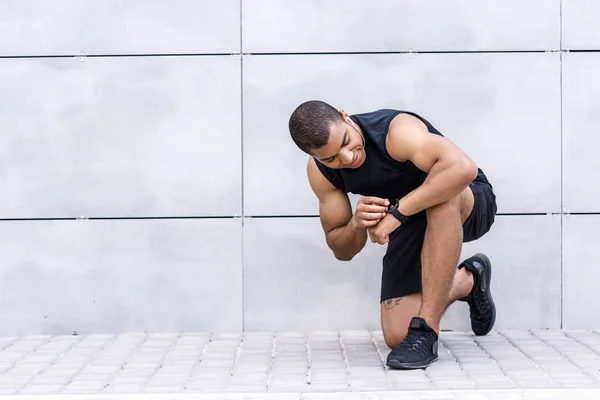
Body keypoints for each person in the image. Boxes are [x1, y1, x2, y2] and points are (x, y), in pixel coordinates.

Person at [288, 100, 498, 370]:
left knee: (441, 192)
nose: (348, 158)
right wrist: (356, 223)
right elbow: (342, 250)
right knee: (398, 334)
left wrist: (397, 215)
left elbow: (462, 169)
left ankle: (426, 333)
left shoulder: (395, 132)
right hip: (409, 219)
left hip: (467, 201)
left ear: (345, 116)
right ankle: (468, 281)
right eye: (331, 158)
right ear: (315, 157)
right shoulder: (320, 173)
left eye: (346, 142)